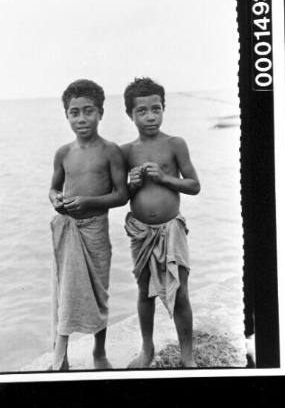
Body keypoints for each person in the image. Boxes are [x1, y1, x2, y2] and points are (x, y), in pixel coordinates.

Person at [121, 77, 201, 368]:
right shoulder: (126, 151)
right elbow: (120, 196)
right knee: (145, 293)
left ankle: (187, 355)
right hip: (141, 233)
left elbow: (194, 185)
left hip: (171, 231)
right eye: (142, 111)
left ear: (164, 108)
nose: (150, 116)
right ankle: (147, 349)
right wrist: (131, 183)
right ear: (130, 114)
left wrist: (165, 177)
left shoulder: (175, 144)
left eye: (156, 108)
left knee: (180, 293)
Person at [49, 79, 128, 370]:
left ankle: (99, 351)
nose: (82, 118)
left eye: (88, 111)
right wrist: (57, 199)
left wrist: (89, 202)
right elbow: (53, 188)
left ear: (101, 112)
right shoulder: (63, 153)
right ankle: (61, 356)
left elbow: (121, 195)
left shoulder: (110, 151)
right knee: (65, 292)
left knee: (99, 291)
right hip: (69, 228)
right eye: (74, 112)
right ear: (67, 115)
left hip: (96, 229)